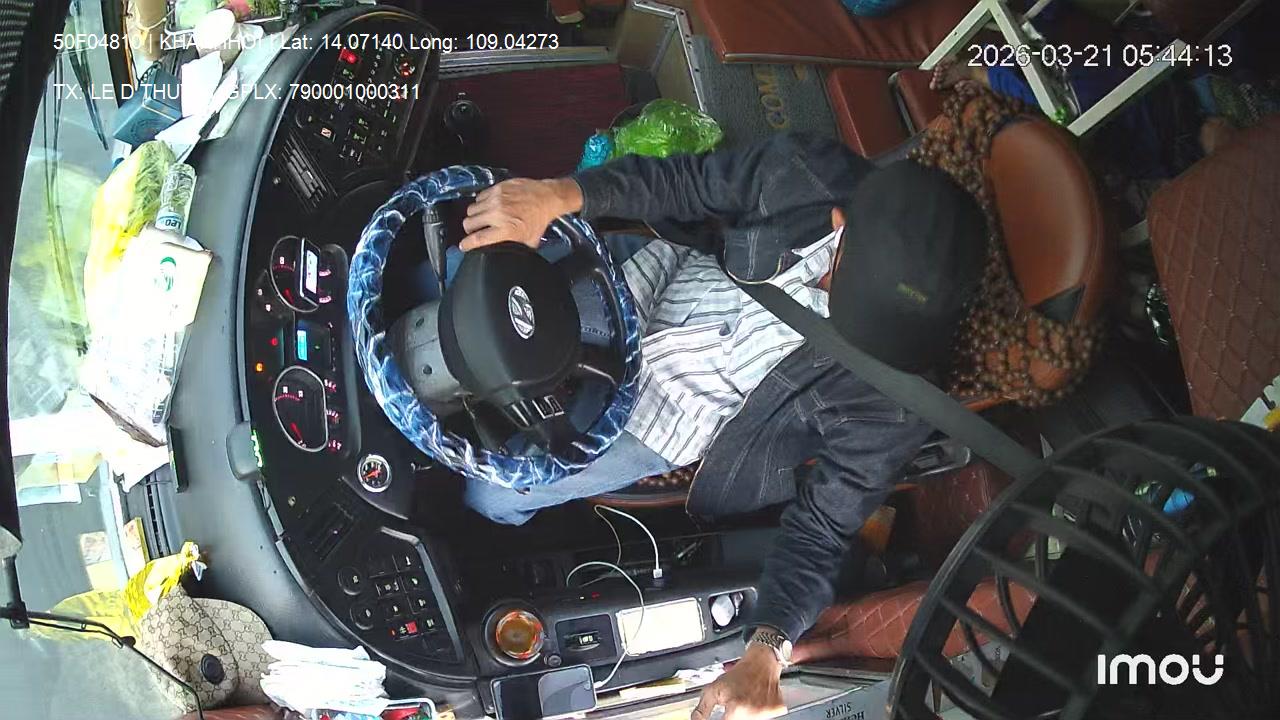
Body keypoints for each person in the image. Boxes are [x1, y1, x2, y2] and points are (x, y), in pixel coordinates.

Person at [456, 118, 992, 717]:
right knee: (456, 278)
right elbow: (688, 183)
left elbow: (822, 526)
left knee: (489, 490)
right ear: (841, 223)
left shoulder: (895, 395)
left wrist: (766, 651)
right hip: (648, 283)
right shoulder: (806, 173)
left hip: (665, 415)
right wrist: (559, 195)